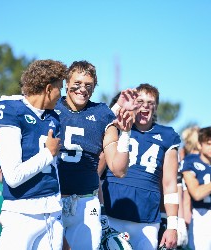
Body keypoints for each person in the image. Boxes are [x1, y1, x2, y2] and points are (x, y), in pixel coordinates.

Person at [55, 60, 137, 250]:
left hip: (85, 203)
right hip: (52, 200)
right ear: (67, 83)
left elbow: (118, 169)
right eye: (77, 83)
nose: (82, 89)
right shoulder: (52, 106)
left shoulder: (101, 113)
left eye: (88, 85)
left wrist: (125, 133)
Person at [0, 59, 67, 250]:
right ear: (49, 88)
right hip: (21, 213)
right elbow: (13, 177)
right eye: (60, 88)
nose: (61, 94)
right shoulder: (9, 110)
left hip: (52, 211)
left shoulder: (53, 117)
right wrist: (48, 153)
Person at [101, 83, 180, 250]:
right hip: (112, 211)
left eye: (150, 102)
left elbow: (170, 184)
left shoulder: (167, 135)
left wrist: (173, 225)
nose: (145, 106)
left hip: (147, 218)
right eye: (140, 101)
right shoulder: (117, 127)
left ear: (156, 107)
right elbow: (100, 124)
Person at [180, 126, 211, 250]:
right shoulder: (190, 162)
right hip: (201, 219)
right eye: (208, 144)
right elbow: (196, 193)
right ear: (199, 144)